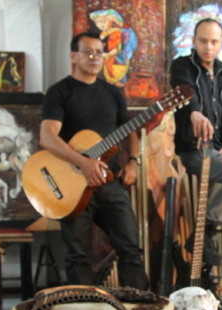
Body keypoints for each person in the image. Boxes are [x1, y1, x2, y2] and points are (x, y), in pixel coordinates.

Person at [40, 31, 148, 289]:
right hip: (72, 184)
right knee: (77, 255)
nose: (95, 57)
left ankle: (138, 305)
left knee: (130, 247)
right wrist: (83, 162)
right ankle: (83, 308)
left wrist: (133, 161)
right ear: (73, 56)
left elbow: (129, 131)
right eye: (88, 52)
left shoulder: (112, 93)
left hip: (109, 181)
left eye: (100, 52)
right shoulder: (59, 92)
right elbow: (47, 137)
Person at [169, 18, 222, 267]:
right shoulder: (182, 65)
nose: (208, 47)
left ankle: (202, 240)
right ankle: (203, 234)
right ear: (194, 41)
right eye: (203, 41)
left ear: (221, 42)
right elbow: (184, 90)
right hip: (194, 149)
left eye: (214, 41)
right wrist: (194, 112)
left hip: (217, 150)